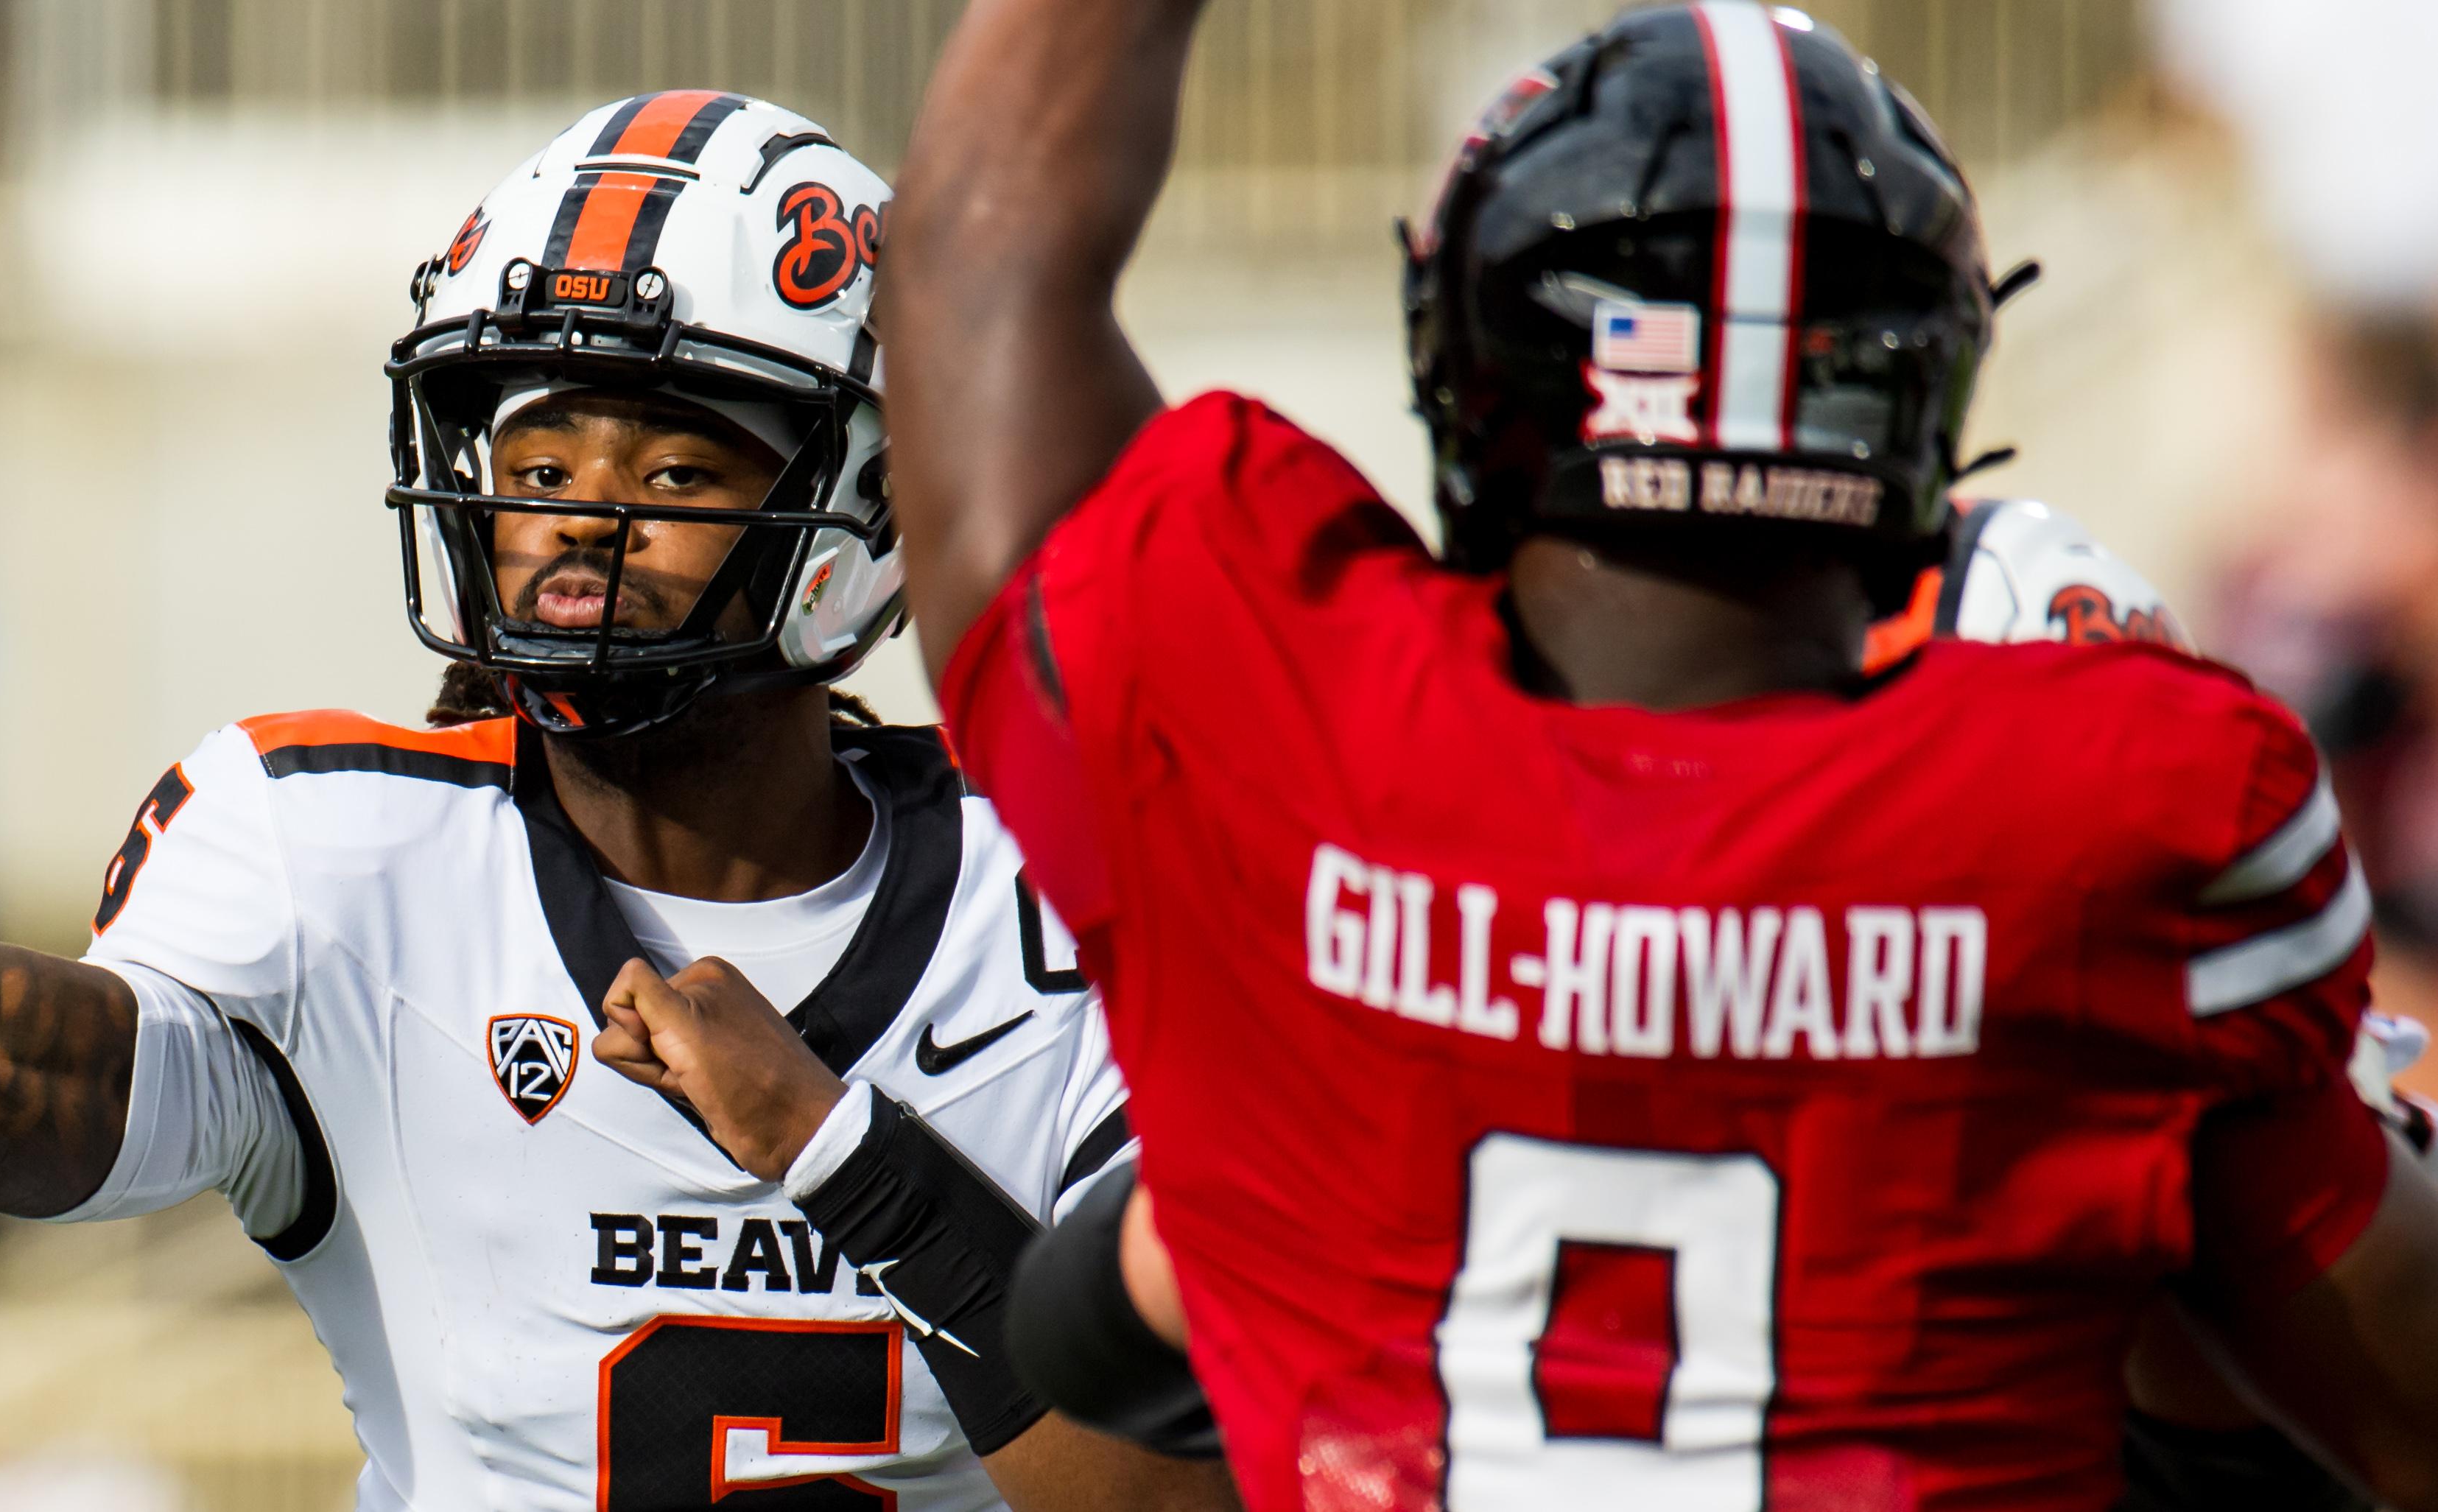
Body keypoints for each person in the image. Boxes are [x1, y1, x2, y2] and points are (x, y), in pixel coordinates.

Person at [877, 1, 2438, 1507]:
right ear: (1918, 391)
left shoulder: (1266, 713)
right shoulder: (2122, 816)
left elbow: (971, 265)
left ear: (1468, 355)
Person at [0, 91, 1230, 1512]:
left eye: (671, 463)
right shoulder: (340, 849)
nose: (580, 514)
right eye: (535, 459)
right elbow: (57, 1075)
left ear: (864, 507)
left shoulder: (1058, 890)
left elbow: (1184, 1500)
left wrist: (841, 1152)